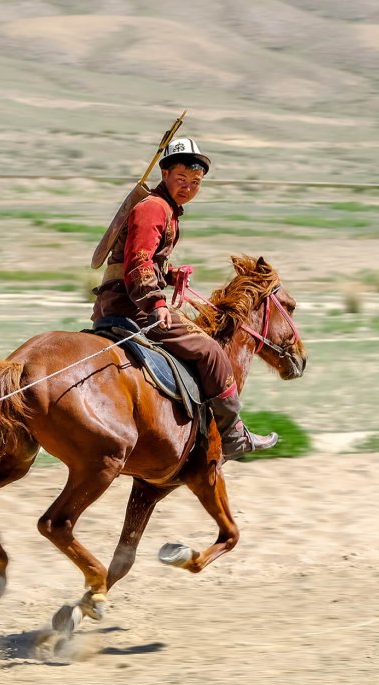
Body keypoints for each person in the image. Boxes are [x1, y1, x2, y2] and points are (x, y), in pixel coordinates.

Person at [91, 137, 278, 461]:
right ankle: (232, 435)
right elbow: (138, 262)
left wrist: (168, 275)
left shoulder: (165, 210)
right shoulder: (154, 208)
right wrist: (156, 303)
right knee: (211, 352)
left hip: (119, 300)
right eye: (181, 178)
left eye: (196, 182)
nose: (188, 187)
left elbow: (143, 261)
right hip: (132, 306)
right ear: (164, 174)